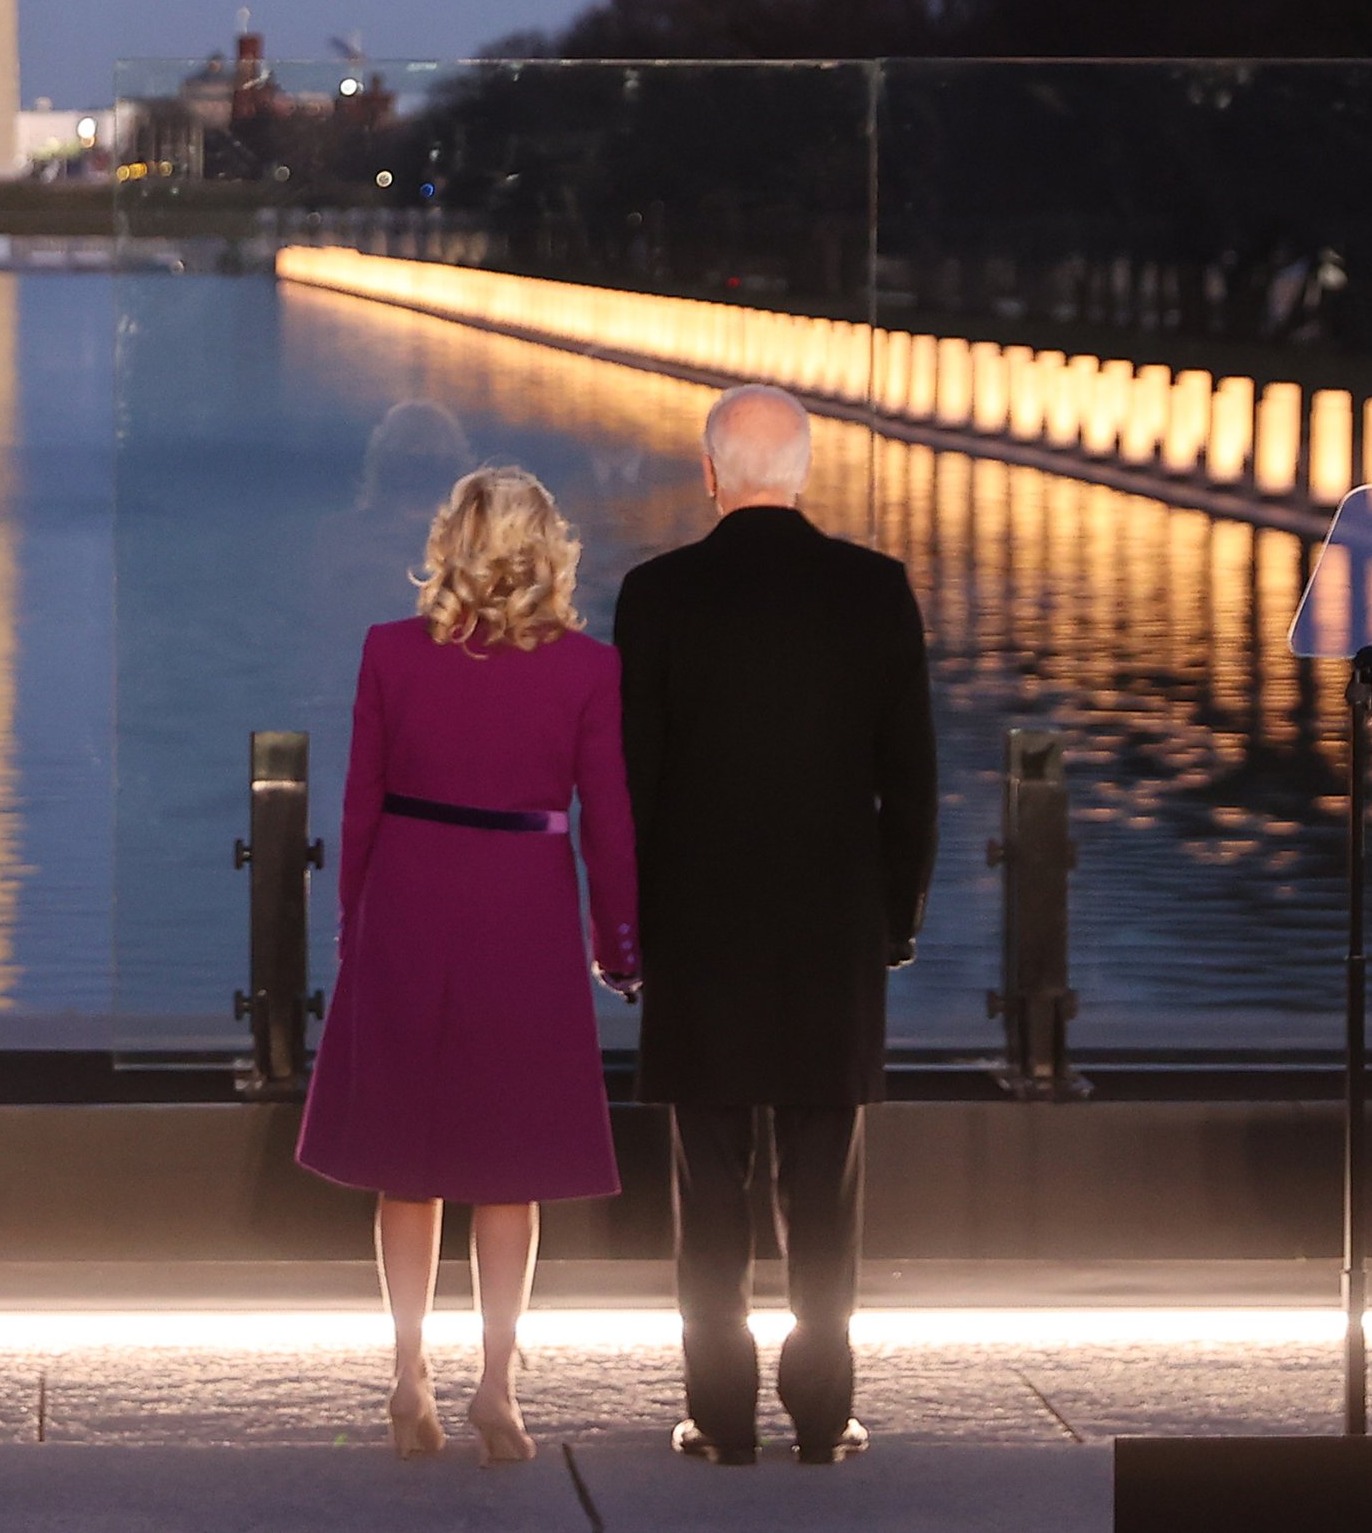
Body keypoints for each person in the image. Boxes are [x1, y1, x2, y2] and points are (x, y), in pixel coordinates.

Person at [611, 384, 937, 1467]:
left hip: (697, 935)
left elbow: (632, 787)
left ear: (709, 474)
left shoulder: (655, 596)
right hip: (828, 932)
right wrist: (893, 919)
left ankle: (720, 1416)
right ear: (804, 473)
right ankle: (820, 1412)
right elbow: (912, 782)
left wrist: (626, 926)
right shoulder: (875, 591)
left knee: (707, 1190)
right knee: (823, 1187)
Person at [294, 465, 639, 1467]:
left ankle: (407, 1371)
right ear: (547, 551)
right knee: (508, 1168)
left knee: (407, 1165)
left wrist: (355, 923)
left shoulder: (390, 654)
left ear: (450, 541)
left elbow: (359, 803)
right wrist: (617, 945)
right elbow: (607, 827)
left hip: (409, 898)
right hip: (524, 910)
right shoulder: (586, 669)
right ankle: (496, 1385)